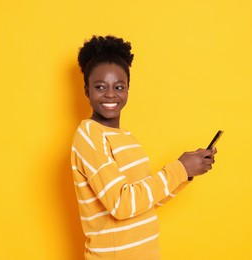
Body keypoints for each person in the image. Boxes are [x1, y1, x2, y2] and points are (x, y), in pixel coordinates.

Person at [70, 35, 216, 260]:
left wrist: (185, 174)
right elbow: (121, 205)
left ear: (128, 89)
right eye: (100, 86)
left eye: (119, 86)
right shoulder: (89, 136)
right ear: (87, 90)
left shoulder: (128, 138)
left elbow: (144, 202)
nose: (111, 94)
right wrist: (178, 169)